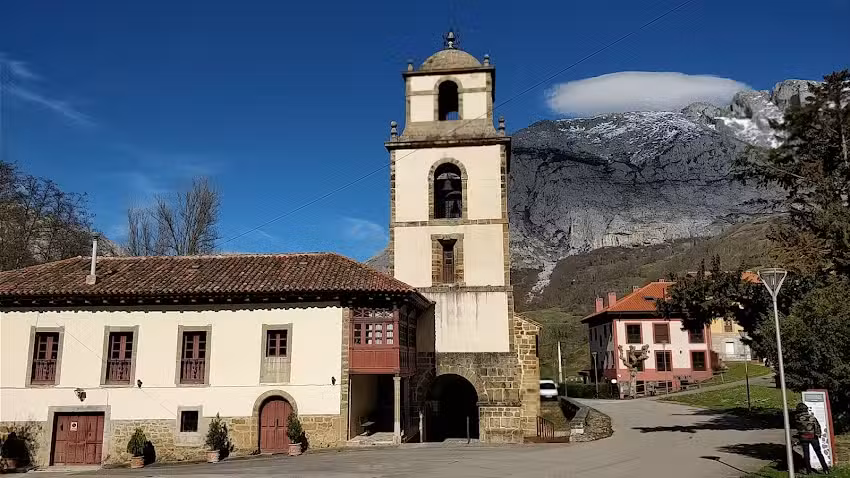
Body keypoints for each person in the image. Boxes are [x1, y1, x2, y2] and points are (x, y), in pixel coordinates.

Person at [795, 402, 830, 474]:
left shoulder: (797, 418)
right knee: (819, 453)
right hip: (813, 437)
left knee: (806, 454)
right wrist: (818, 434)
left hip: (803, 437)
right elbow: (817, 426)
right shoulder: (812, 417)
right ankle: (825, 469)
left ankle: (808, 470)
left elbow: (797, 428)